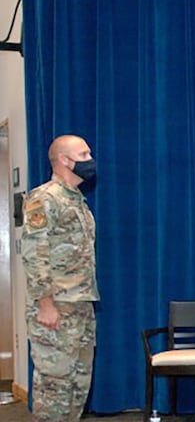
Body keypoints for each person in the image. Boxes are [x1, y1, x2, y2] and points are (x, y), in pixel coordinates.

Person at [22, 134, 99, 422]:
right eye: (84, 155)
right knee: (54, 390)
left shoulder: (78, 202)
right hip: (55, 308)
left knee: (77, 389)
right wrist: (45, 304)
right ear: (65, 160)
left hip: (80, 306)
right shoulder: (44, 198)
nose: (90, 161)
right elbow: (34, 253)